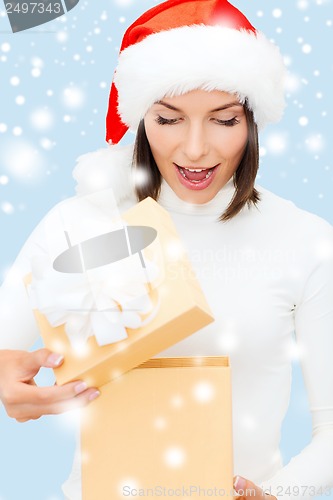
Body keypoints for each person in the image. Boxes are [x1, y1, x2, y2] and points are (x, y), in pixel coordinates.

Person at [1, 0, 333, 499]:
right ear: (138, 119)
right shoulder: (78, 223)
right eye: (169, 119)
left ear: (253, 122)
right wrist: (8, 384)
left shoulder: (303, 239)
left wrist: (280, 494)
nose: (196, 149)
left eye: (223, 120)